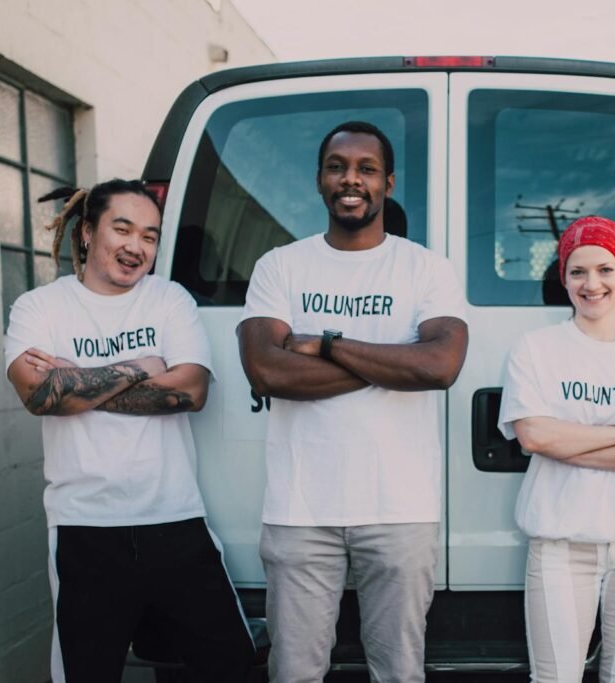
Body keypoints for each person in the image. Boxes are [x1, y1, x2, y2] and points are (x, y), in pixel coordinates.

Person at [237, 121, 469, 682]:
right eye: (338, 166)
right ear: (319, 180)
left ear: (387, 183)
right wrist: (394, 362)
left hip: (399, 510)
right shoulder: (280, 266)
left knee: (398, 672)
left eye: (366, 169)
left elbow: (441, 365)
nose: (351, 179)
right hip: (300, 511)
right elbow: (266, 368)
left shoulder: (425, 269)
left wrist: (326, 346)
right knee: (294, 672)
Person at [4, 179, 255, 682]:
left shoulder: (168, 298)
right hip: (84, 529)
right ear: (88, 232)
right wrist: (143, 364)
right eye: (122, 229)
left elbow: (189, 392)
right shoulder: (39, 308)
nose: (136, 247)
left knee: (233, 669)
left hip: (176, 520)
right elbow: (40, 396)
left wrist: (76, 383)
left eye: (150, 235)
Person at [498, 215, 615, 682]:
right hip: (562, 542)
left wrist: (569, 440)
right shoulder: (536, 349)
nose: (592, 284)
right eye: (578, 271)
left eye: (605, 269)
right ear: (563, 278)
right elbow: (535, 438)